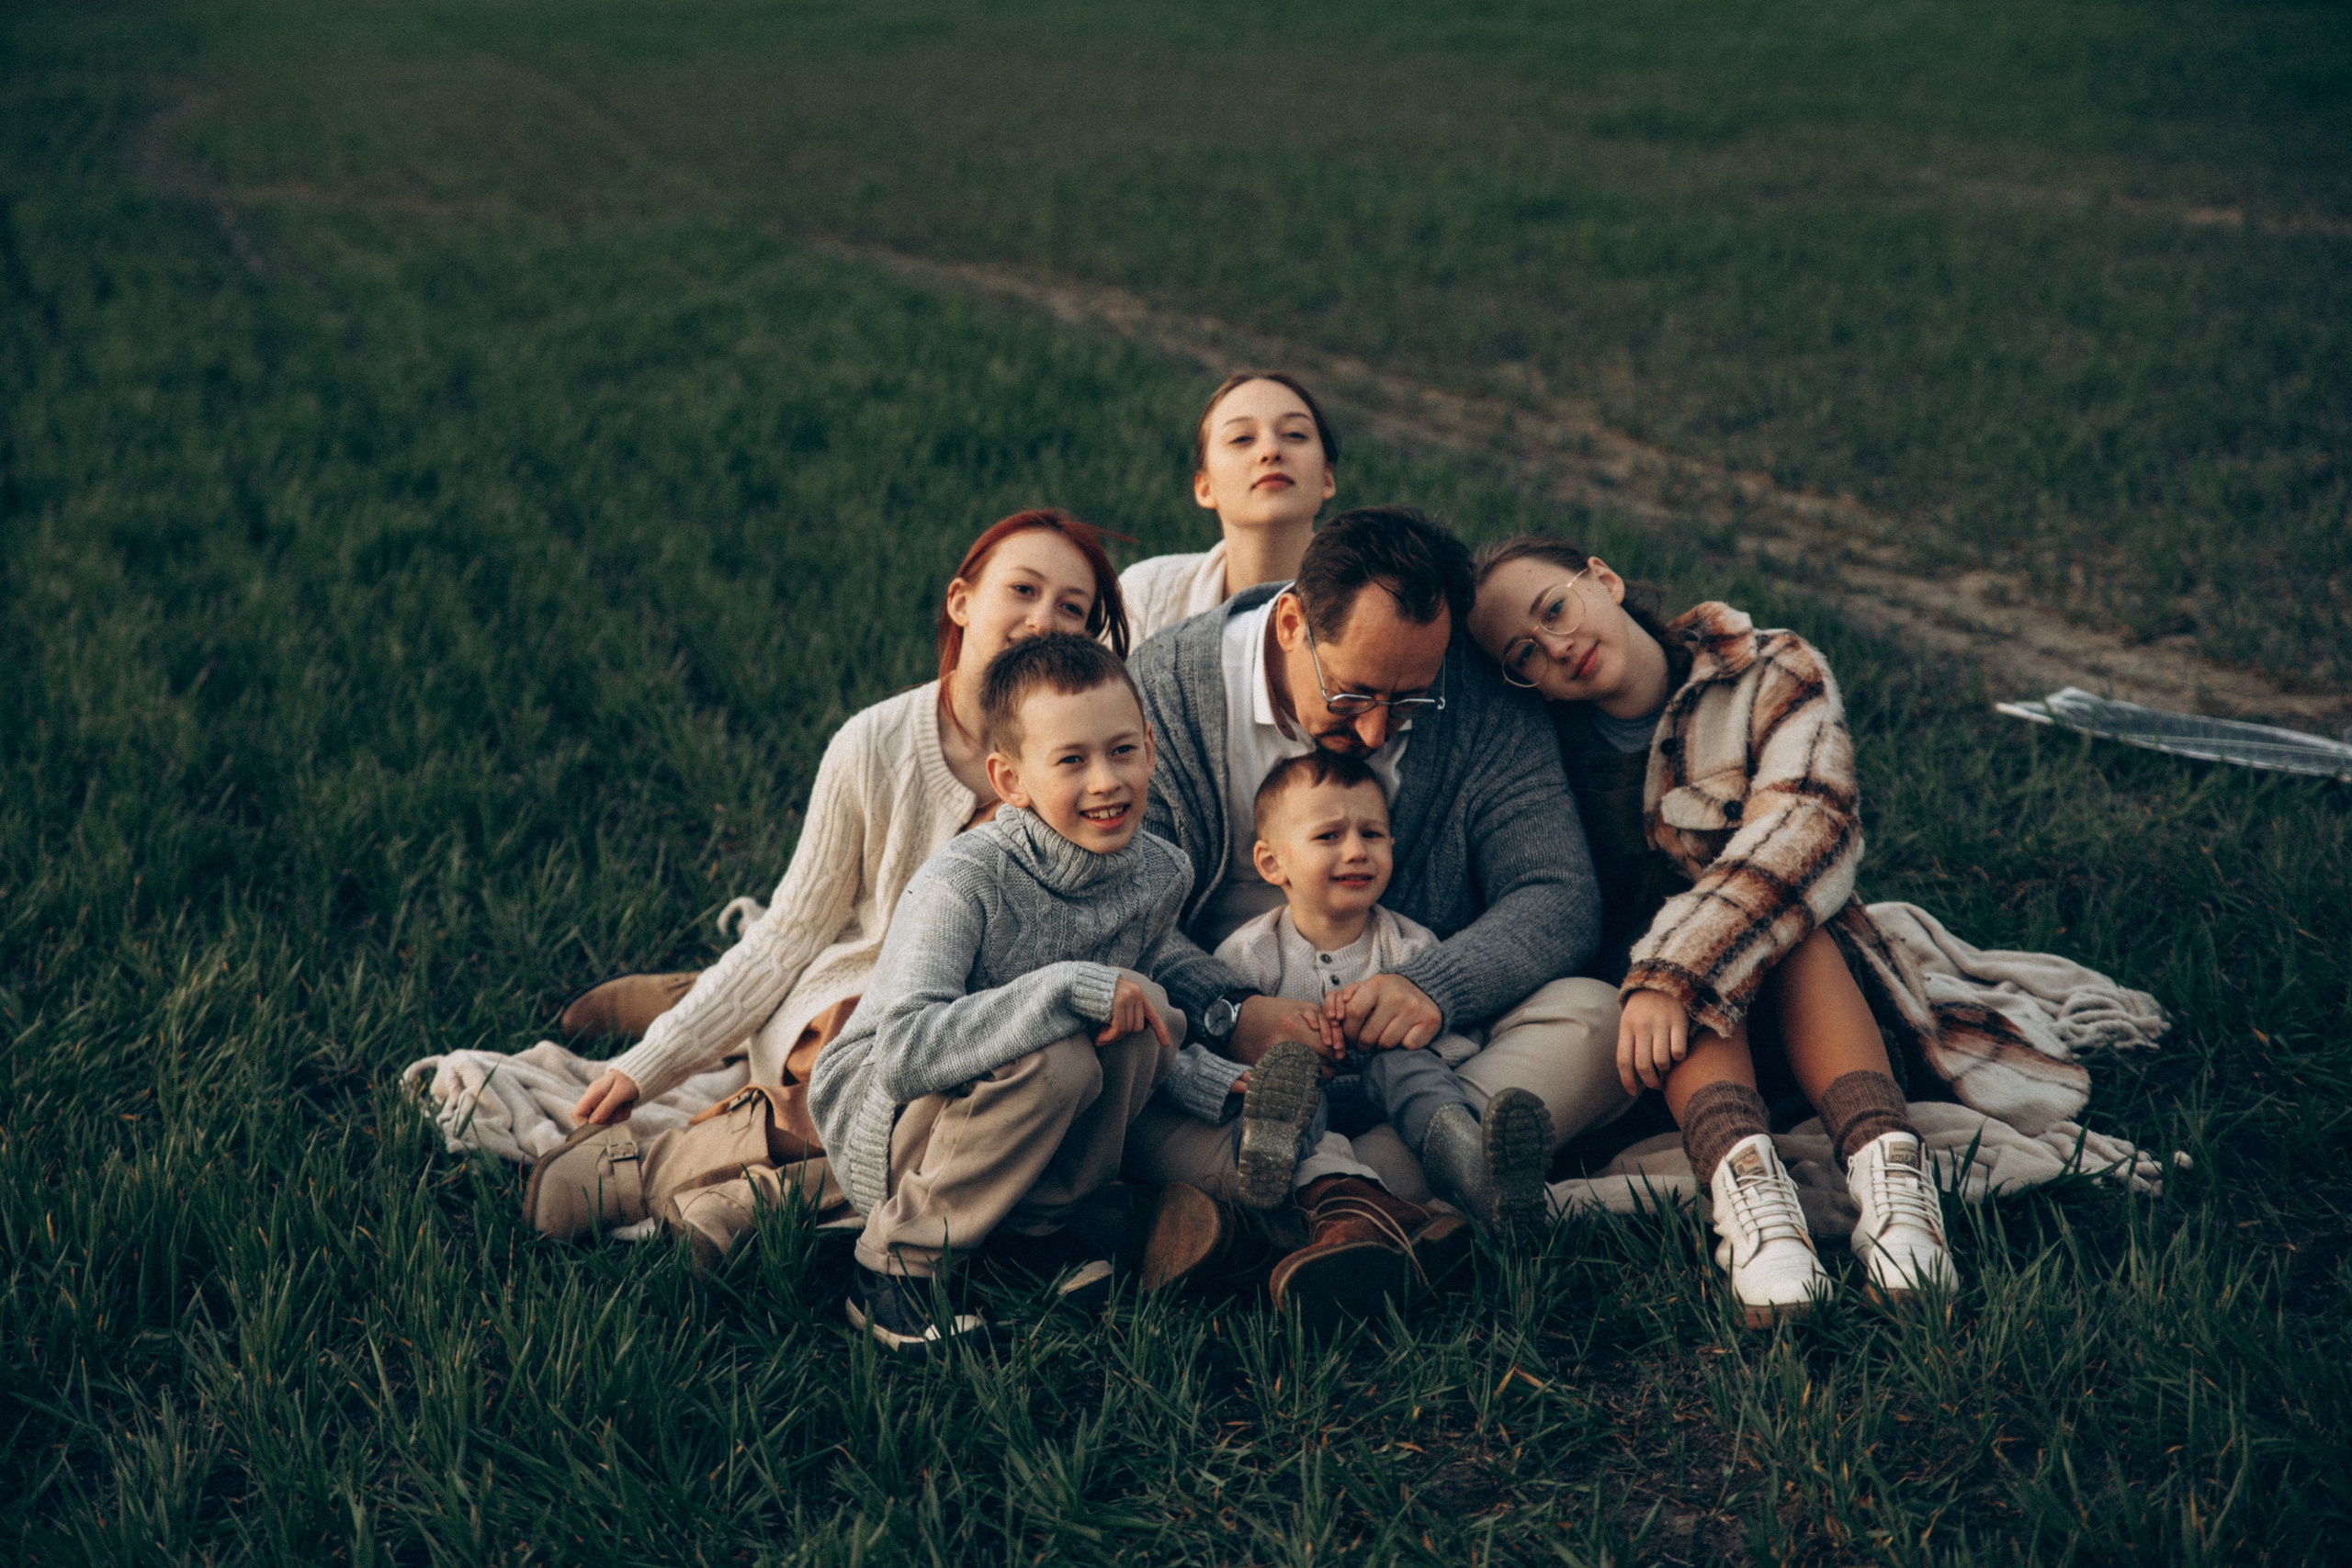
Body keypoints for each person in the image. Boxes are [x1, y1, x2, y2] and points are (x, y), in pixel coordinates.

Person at [522, 509, 1130, 1265]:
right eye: (1023, 590)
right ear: (962, 600)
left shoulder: (1088, 762)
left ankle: (747, 1200)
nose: (1043, 620)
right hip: (854, 999)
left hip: (993, 1023)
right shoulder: (874, 742)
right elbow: (786, 938)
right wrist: (649, 1064)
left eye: (1070, 608)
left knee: (1003, 1098)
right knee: (882, 1055)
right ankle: (676, 1143)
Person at [1467, 538, 1957, 1324]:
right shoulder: (1542, 747)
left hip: (1811, 1000)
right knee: (1667, 965)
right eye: (1524, 655)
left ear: (1603, 577)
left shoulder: (1768, 667)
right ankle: (1759, 1215)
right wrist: (1660, 978)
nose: (1555, 647)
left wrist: (1680, 967)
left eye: (1554, 608)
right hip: (1658, 1050)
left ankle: (1895, 1187)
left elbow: (1810, 824)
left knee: (1780, 925)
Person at [1124, 505, 1630, 1262]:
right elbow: (1121, 909)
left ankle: (1308, 1207)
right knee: (1127, 1049)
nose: (1374, 731)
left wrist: (1432, 986)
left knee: (1602, 1019)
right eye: (1353, 695)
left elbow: (1557, 893)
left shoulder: (1476, 693)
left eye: (1409, 699)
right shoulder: (1166, 690)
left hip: (1419, 1058)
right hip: (1233, 1071)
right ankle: (1432, 1197)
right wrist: (1230, 1010)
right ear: (1291, 623)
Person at [808, 633, 1213, 1351]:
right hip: (887, 1120)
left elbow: (1122, 1017)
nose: (1106, 781)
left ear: (1151, 748)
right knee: (1058, 1054)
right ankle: (894, 1266)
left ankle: (1035, 1231)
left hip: (1012, 1122)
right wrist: (1069, 987)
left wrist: (1217, 1082)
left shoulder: (1162, 874)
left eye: (1122, 750)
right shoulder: (963, 880)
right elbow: (902, 1054)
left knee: (1137, 1016)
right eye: (1071, 760)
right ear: (1010, 779)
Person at [1206, 750, 1555, 1236]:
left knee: (1408, 1068)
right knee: (1287, 1073)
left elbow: (1461, 1040)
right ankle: (1269, 1158)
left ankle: (1474, 1168)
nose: (1356, 851)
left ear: (1391, 843)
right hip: (1305, 1107)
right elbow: (1220, 1045)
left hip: (1390, 1108)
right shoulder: (1250, 953)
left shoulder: (1409, 950)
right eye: (1329, 836)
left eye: (1371, 834)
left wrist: (1397, 1038)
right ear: (1272, 862)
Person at [1120, 372, 1339, 646]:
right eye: (1241, 438)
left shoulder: (1372, 606)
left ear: (1327, 478)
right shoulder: (1147, 595)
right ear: (1204, 487)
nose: (1271, 450)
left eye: (1295, 434)